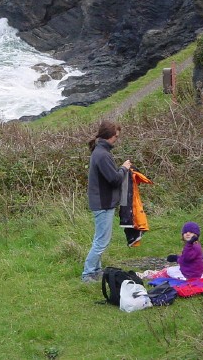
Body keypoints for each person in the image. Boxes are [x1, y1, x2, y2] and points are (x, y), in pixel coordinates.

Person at [82, 121, 131, 283]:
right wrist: (124, 168)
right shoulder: (102, 154)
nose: (117, 139)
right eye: (116, 136)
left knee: (100, 239)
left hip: (101, 202)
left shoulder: (100, 151)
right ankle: (88, 273)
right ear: (109, 136)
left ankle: (96, 271)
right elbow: (114, 179)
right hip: (103, 203)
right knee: (101, 241)